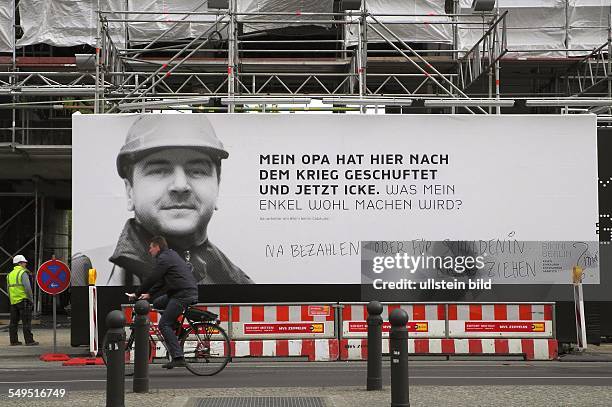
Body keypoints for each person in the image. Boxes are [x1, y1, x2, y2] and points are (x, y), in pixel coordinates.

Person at [106, 114, 253, 286]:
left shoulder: (239, 284)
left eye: (197, 171)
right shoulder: (91, 270)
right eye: (159, 171)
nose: (180, 186)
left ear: (218, 186)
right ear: (129, 191)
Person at [127, 236, 198, 369]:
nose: (149, 251)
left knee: (163, 324)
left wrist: (136, 293)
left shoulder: (164, 258)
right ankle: (178, 329)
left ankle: (178, 357)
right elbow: (161, 280)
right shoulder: (170, 255)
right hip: (180, 292)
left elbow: (153, 278)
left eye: (151, 247)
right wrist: (150, 294)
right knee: (159, 303)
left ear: (157, 247)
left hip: (183, 294)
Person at [6, 255, 38, 346]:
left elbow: (8, 289)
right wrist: (31, 299)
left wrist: (12, 298)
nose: (26, 264)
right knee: (26, 322)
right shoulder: (23, 273)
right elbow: (27, 288)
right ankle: (29, 341)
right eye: (24, 262)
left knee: (13, 322)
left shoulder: (10, 274)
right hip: (24, 300)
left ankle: (14, 341)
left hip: (13, 301)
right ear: (20, 263)